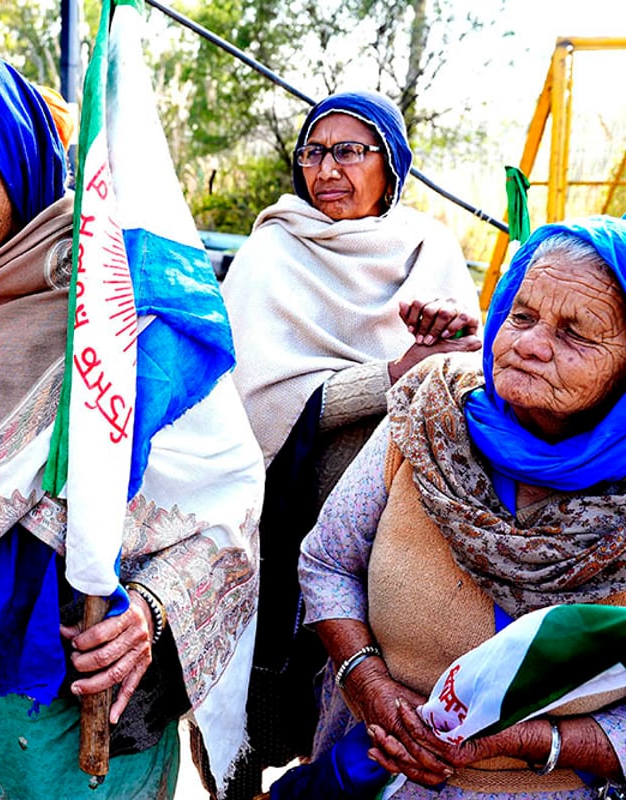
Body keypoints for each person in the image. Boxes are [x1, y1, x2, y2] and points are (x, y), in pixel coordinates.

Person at [0, 49, 265, 798]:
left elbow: (224, 496)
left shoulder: (116, 295)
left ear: (9, 144)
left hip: (93, 692)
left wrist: (153, 615)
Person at [214, 90, 483, 797]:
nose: (326, 168)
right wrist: (390, 374)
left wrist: (452, 348)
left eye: (349, 150)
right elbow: (252, 399)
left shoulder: (430, 249)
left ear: (390, 166)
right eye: (313, 151)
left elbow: (467, 385)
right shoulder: (273, 247)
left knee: (350, 721)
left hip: (385, 540)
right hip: (272, 526)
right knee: (245, 714)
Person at [299, 216, 626, 798]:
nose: (527, 343)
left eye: (575, 333)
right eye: (521, 315)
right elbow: (327, 562)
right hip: (374, 766)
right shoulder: (433, 405)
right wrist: (368, 682)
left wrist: (541, 742)